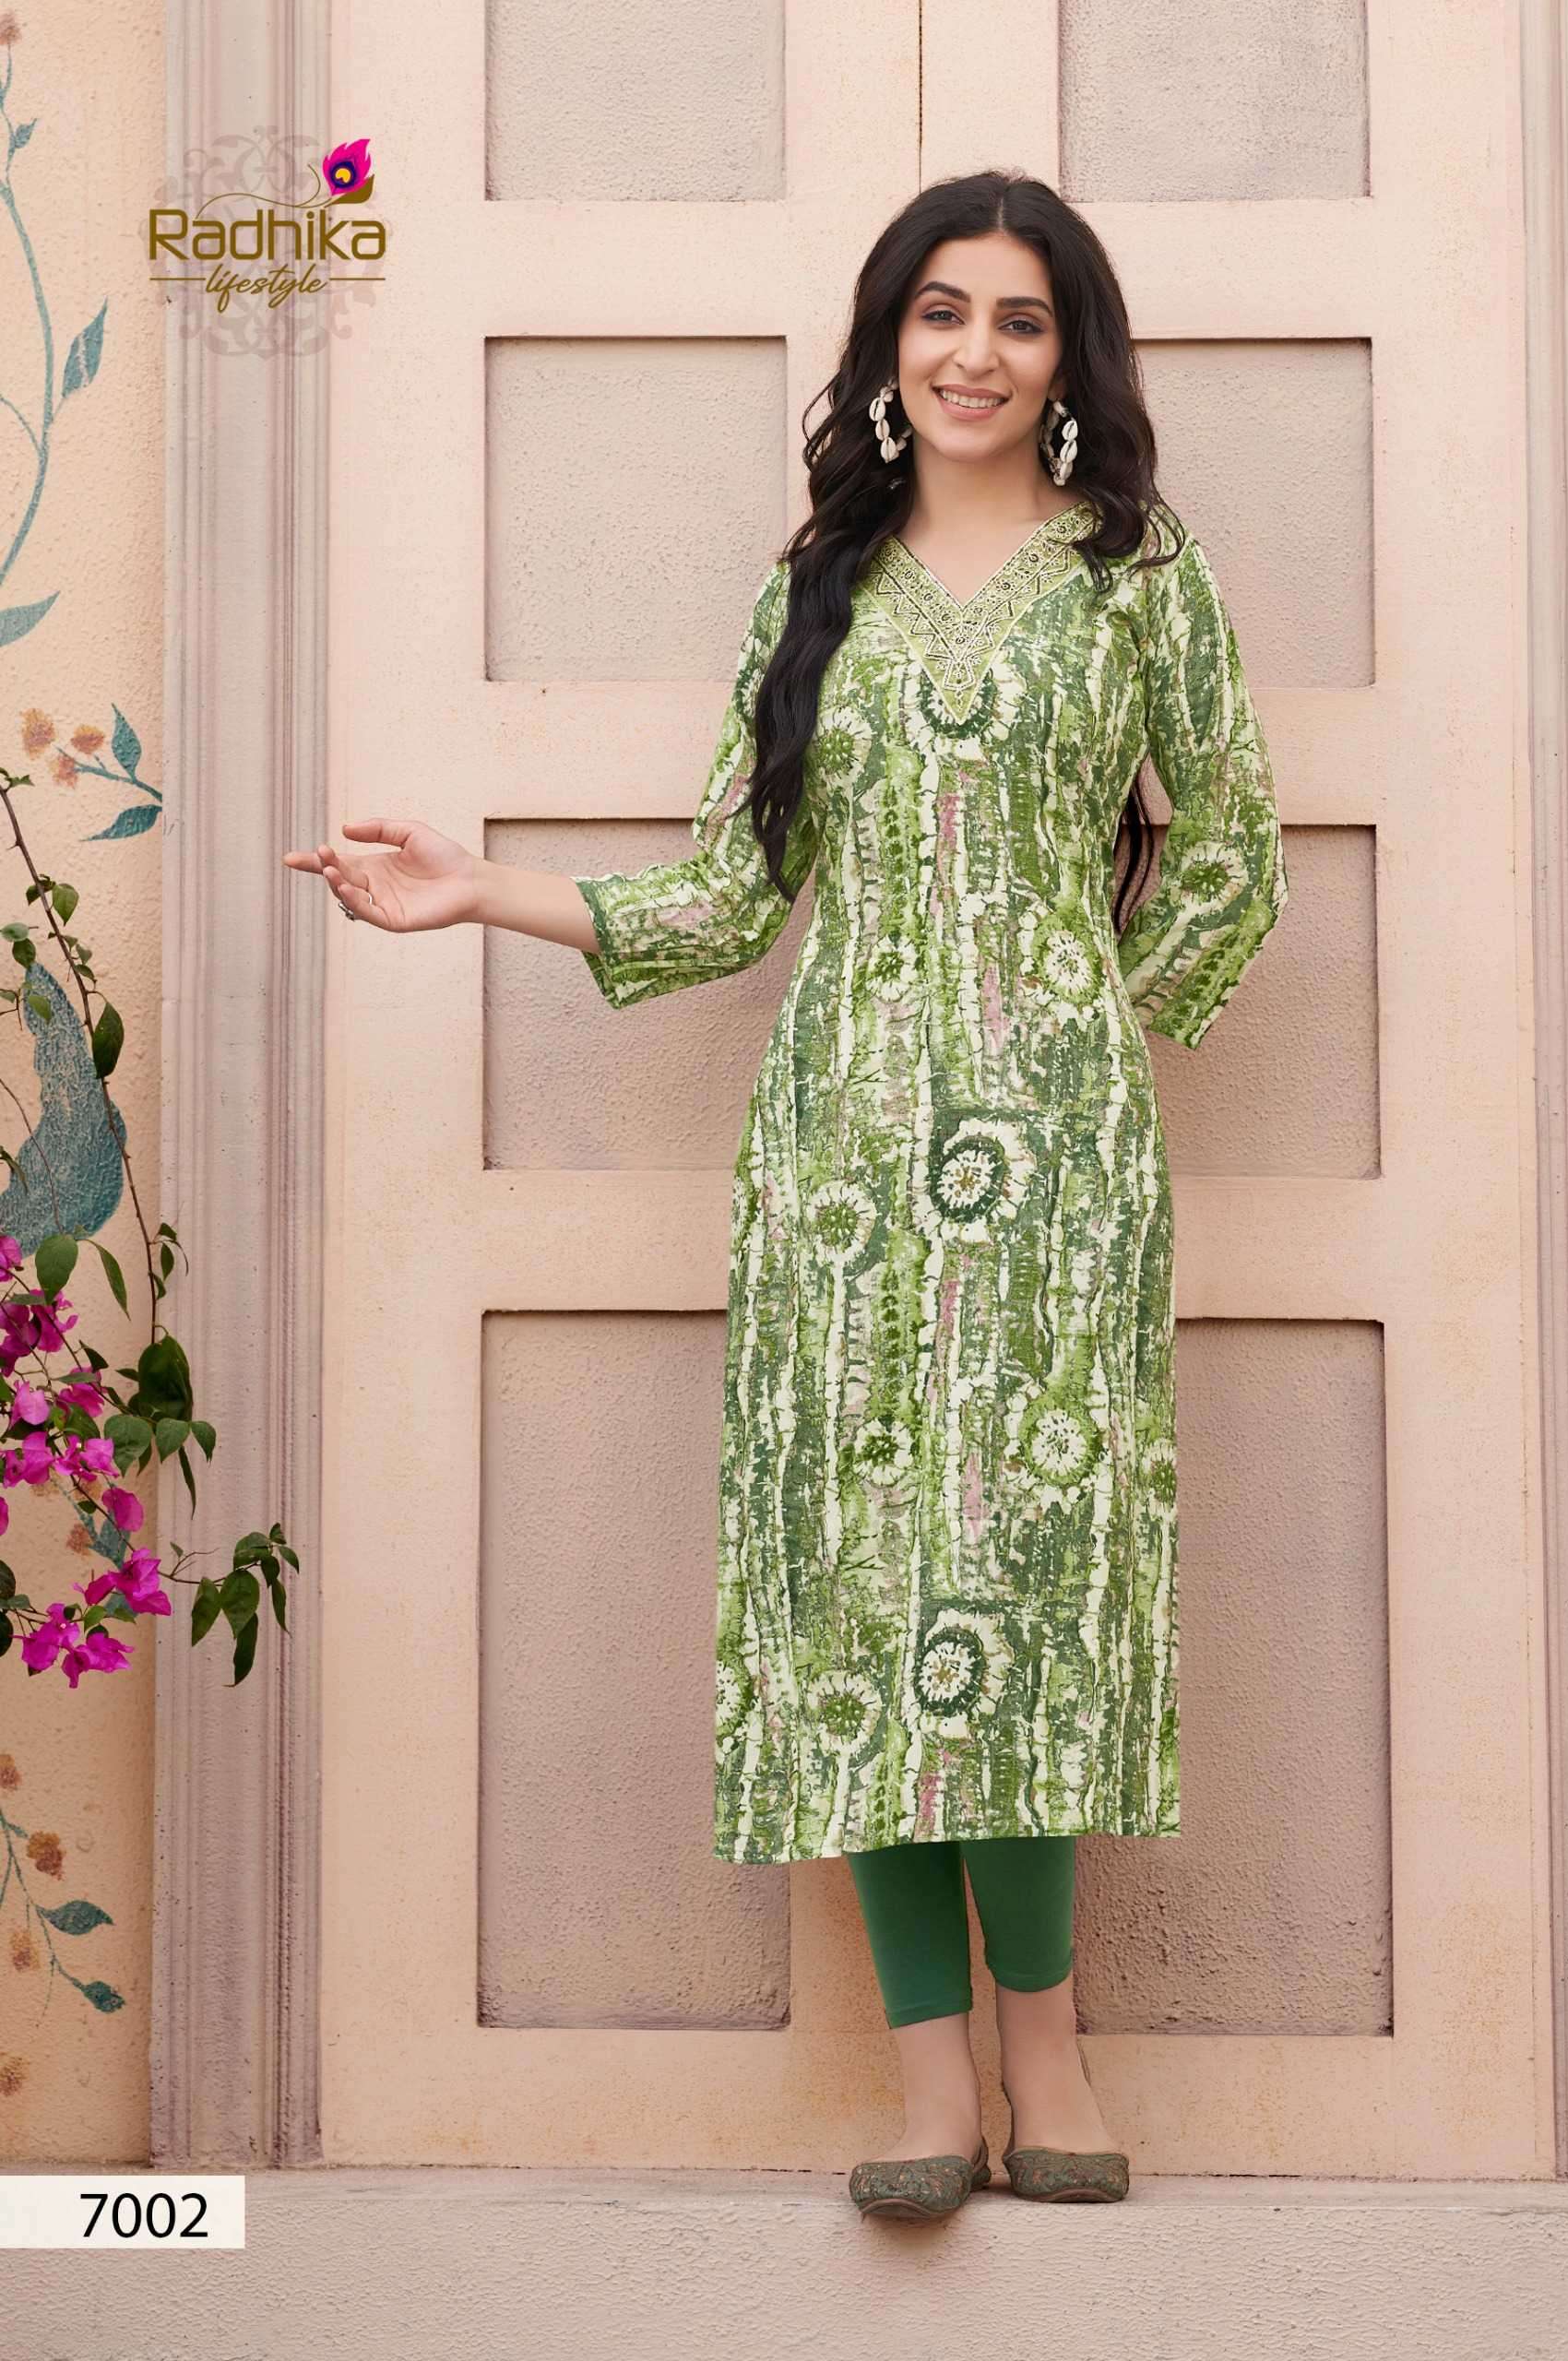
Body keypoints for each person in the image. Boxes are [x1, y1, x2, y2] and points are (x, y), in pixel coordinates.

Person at [285, 168, 1288, 2222]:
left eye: (1020, 318)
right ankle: (927, 2081)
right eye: (941, 312)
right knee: (859, 1599)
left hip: (1061, 1174)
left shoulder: (1136, 575)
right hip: (839, 1169)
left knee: (1031, 1594)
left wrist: (1080, 1029)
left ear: (1070, 359)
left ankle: (1049, 2055)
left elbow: (1235, 851)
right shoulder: (817, 584)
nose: (976, 353)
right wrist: (477, 890)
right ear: (889, 346)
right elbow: (736, 892)